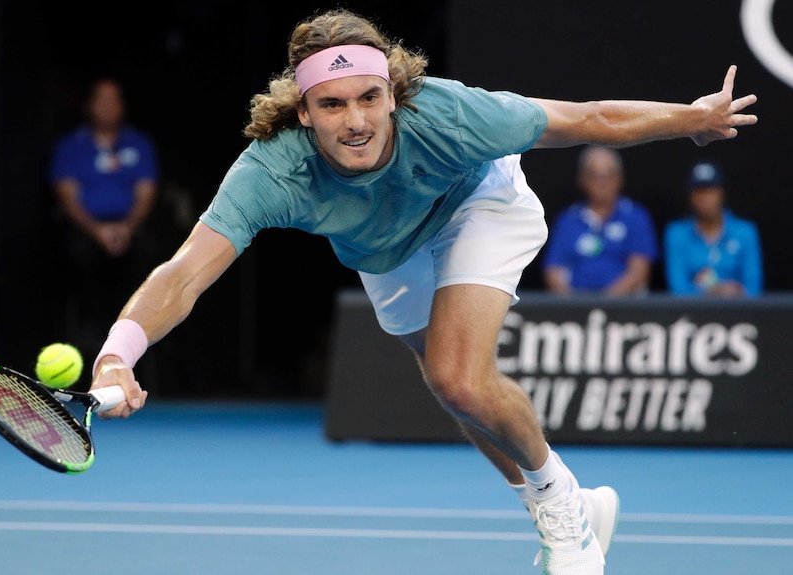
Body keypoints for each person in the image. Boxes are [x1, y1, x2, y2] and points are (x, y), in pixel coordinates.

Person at [87, 9, 757, 574]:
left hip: (478, 205)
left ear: (391, 93)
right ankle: (568, 504)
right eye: (332, 104)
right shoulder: (273, 169)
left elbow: (588, 119)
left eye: (368, 98)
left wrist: (687, 117)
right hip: (387, 252)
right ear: (302, 108)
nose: (355, 120)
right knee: (448, 387)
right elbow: (183, 272)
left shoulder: (448, 115)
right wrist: (120, 351)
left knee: (458, 376)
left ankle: (565, 513)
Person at [48, 77, 160, 359]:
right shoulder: (71, 146)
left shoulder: (139, 144)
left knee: (151, 255)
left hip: (129, 229)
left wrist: (126, 228)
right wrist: (97, 230)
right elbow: (67, 198)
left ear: (122, 107)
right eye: (102, 100)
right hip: (86, 228)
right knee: (78, 254)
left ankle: (138, 326)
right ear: (89, 106)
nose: (108, 107)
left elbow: (146, 194)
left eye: (114, 101)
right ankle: (92, 324)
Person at [542, 146, 659, 295]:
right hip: (574, 307)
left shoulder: (636, 216)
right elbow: (553, 270)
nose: (602, 183)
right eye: (594, 176)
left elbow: (639, 271)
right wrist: (574, 306)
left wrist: (603, 304)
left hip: (624, 308)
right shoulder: (568, 219)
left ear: (620, 178)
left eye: (609, 175)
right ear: (582, 179)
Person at [664, 160, 763, 296]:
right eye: (699, 191)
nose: (705, 198)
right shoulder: (676, 233)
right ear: (691, 196)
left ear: (721, 193)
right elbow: (678, 290)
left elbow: (754, 288)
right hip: (693, 315)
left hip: (739, 313)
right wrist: (712, 292)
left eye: (711, 190)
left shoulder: (745, 232)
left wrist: (734, 291)